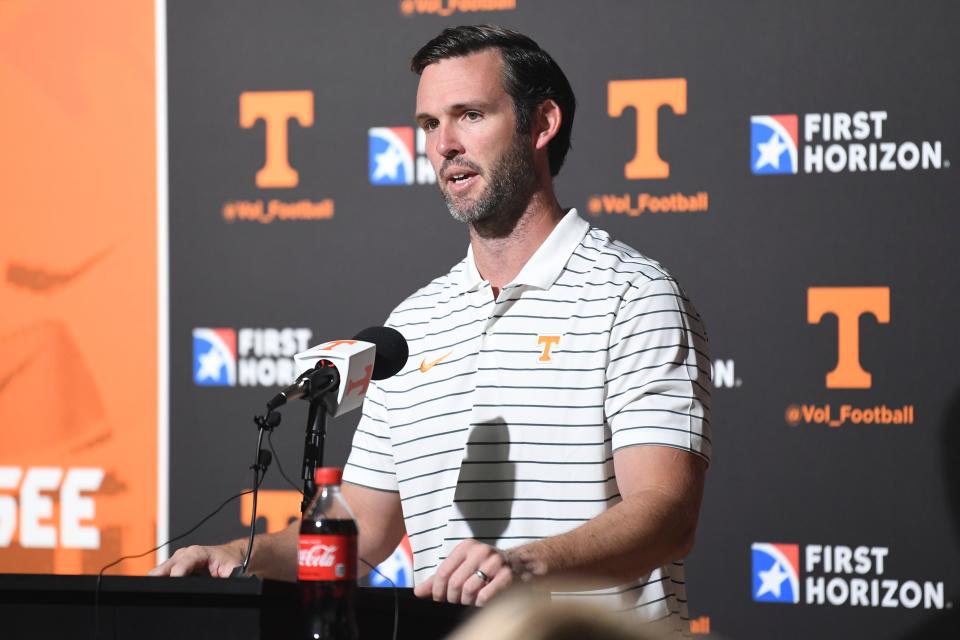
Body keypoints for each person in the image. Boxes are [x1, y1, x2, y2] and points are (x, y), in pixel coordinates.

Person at [151, 25, 711, 633]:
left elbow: (666, 513)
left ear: (542, 124)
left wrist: (527, 566)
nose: (444, 144)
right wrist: (242, 556)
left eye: (470, 115)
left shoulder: (633, 294)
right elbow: (362, 531)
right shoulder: (413, 323)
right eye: (428, 124)